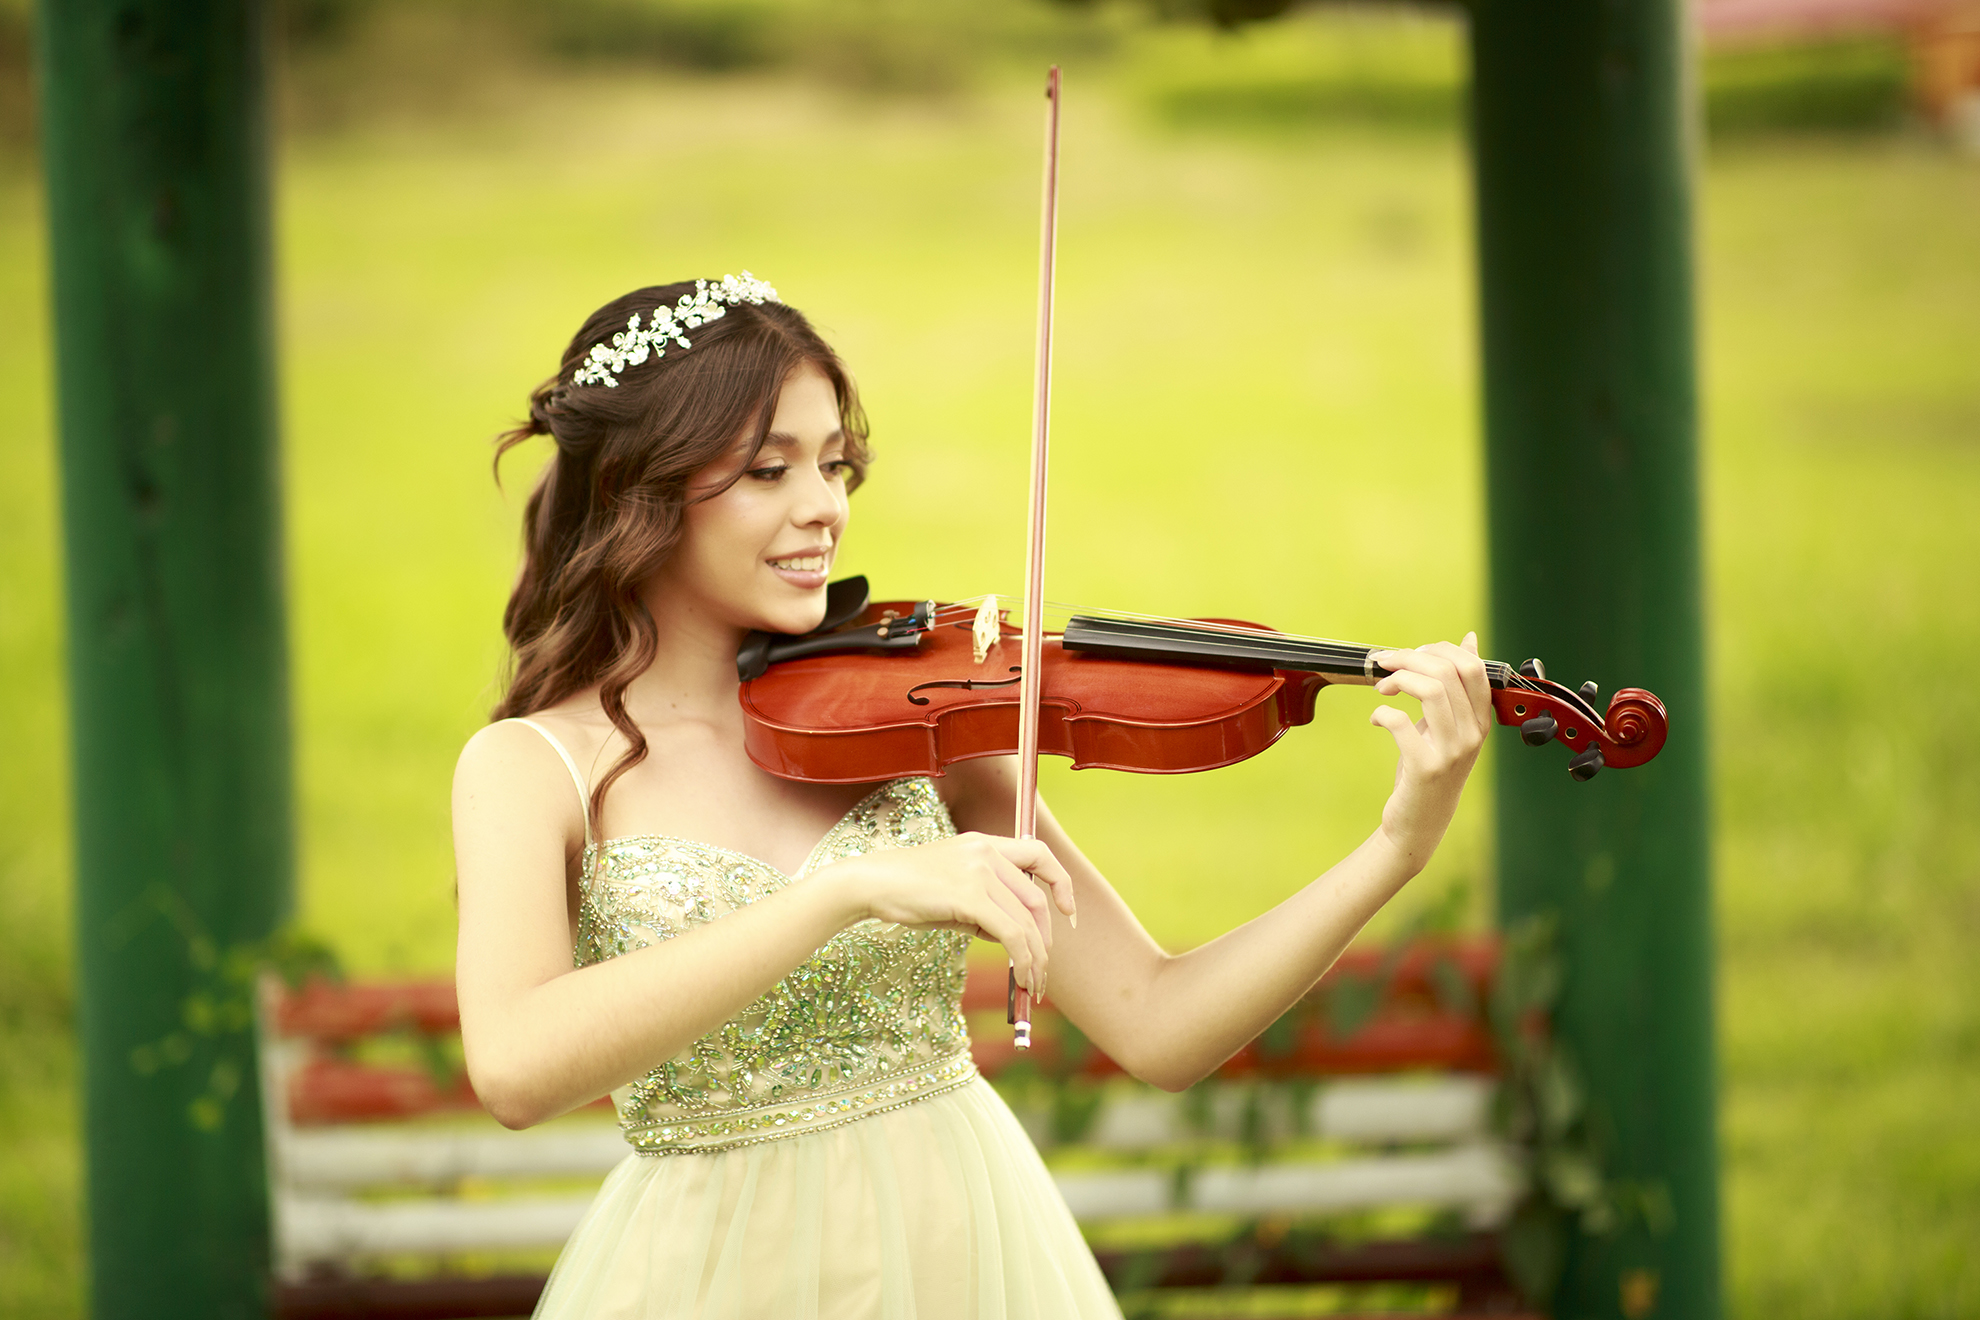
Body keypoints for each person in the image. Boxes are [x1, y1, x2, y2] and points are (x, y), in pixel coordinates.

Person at [451, 275, 1493, 1320]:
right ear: (642, 491)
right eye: (769, 471)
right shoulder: (533, 767)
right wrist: (844, 892)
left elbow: (1160, 1023)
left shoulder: (916, 729)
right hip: (708, 1277)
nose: (824, 507)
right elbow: (515, 1069)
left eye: (834, 464)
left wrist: (1394, 848)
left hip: (960, 1253)